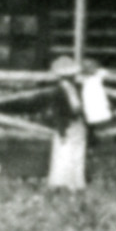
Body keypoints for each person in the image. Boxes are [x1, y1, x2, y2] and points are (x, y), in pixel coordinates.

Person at [47, 55, 87, 190]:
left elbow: (78, 106)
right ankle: (62, 183)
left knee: (77, 152)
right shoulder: (58, 92)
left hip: (77, 123)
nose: (72, 77)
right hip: (66, 125)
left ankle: (75, 183)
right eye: (69, 75)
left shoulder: (75, 88)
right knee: (65, 154)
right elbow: (57, 113)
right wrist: (61, 129)